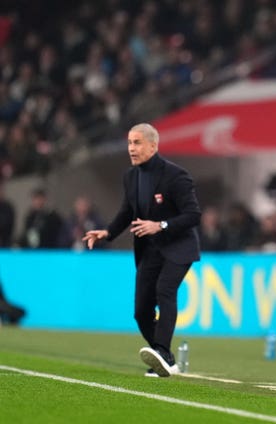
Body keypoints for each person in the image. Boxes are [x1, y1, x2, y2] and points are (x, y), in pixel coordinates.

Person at [83, 123, 201, 377]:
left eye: (137, 143)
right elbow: (127, 212)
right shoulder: (130, 176)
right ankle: (164, 358)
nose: (131, 148)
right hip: (149, 250)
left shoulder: (176, 176)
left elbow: (193, 215)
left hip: (178, 247)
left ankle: (162, 350)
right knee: (141, 311)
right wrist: (107, 233)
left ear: (153, 145)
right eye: (129, 143)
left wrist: (161, 225)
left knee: (164, 291)